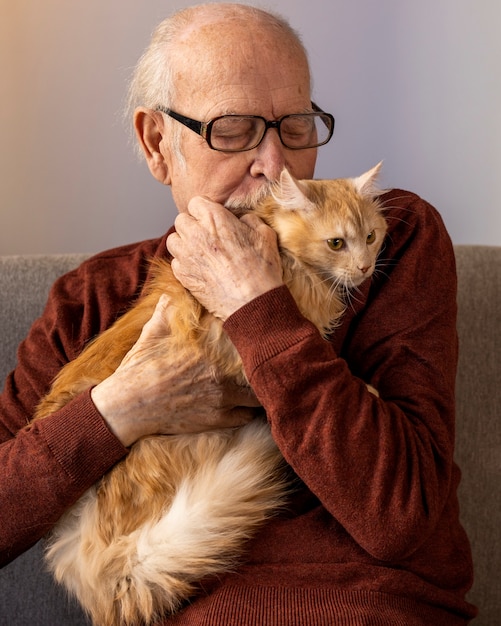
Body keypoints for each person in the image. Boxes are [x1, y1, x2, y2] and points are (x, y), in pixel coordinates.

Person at [0, 3, 477, 624]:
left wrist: (257, 309)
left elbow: (401, 518)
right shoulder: (91, 297)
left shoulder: (389, 236)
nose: (274, 164)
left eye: (297, 125)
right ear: (157, 144)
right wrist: (120, 410)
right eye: (232, 130)